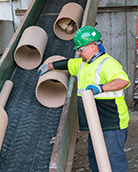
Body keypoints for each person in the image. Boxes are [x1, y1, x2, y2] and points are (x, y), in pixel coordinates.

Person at [38, 26, 130, 172]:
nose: (79, 53)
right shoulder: (83, 64)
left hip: (112, 123)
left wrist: (100, 88)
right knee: (95, 158)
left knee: (112, 161)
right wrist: (48, 66)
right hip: (95, 122)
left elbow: (123, 81)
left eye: (81, 49)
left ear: (93, 45)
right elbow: (67, 63)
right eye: (78, 50)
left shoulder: (108, 63)